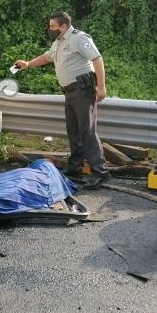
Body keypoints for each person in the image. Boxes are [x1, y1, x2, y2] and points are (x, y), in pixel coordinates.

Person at [15, 11, 110, 188]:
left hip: (83, 90)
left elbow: (97, 59)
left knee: (87, 131)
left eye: (52, 26)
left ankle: (100, 172)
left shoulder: (79, 38)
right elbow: (47, 57)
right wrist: (27, 64)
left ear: (63, 26)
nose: (49, 29)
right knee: (73, 130)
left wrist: (101, 87)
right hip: (70, 92)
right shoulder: (58, 42)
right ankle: (75, 167)